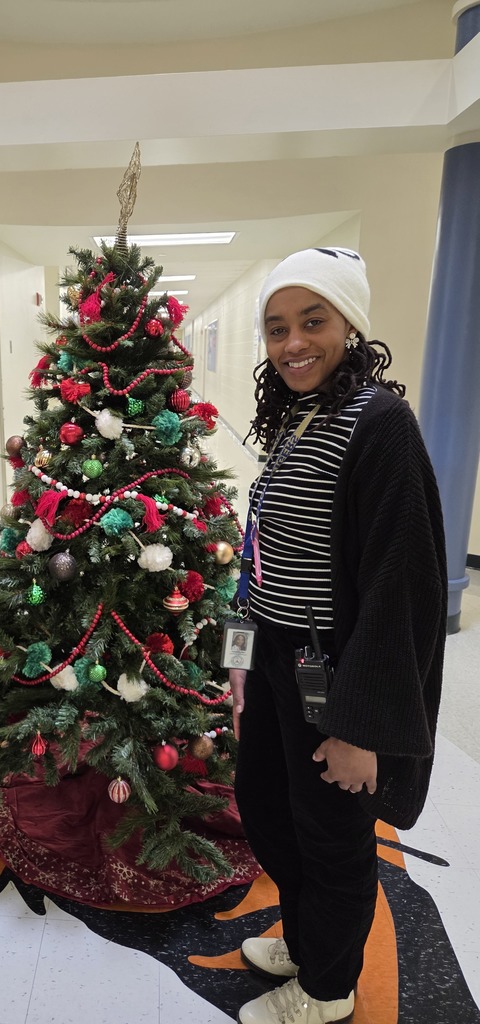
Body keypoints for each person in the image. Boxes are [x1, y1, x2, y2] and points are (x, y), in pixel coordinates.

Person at [229, 247, 446, 1024]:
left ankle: (327, 989)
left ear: (349, 325)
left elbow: (401, 588)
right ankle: (311, 938)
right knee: (268, 808)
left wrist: (360, 728)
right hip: (275, 656)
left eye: (312, 322)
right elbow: (260, 548)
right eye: (277, 327)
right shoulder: (298, 417)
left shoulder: (380, 424)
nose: (293, 343)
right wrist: (238, 657)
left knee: (331, 834)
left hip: (335, 670)